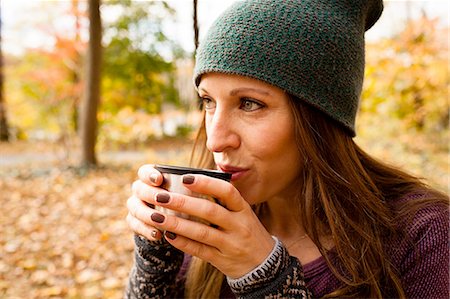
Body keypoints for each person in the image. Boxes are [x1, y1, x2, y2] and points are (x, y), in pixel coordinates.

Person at [124, 0, 449, 298]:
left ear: (320, 117)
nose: (215, 140)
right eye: (208, 101)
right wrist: (154, 265)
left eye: (249, 104)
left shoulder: (424, 237)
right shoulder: (200, 219)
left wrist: (264, 278)